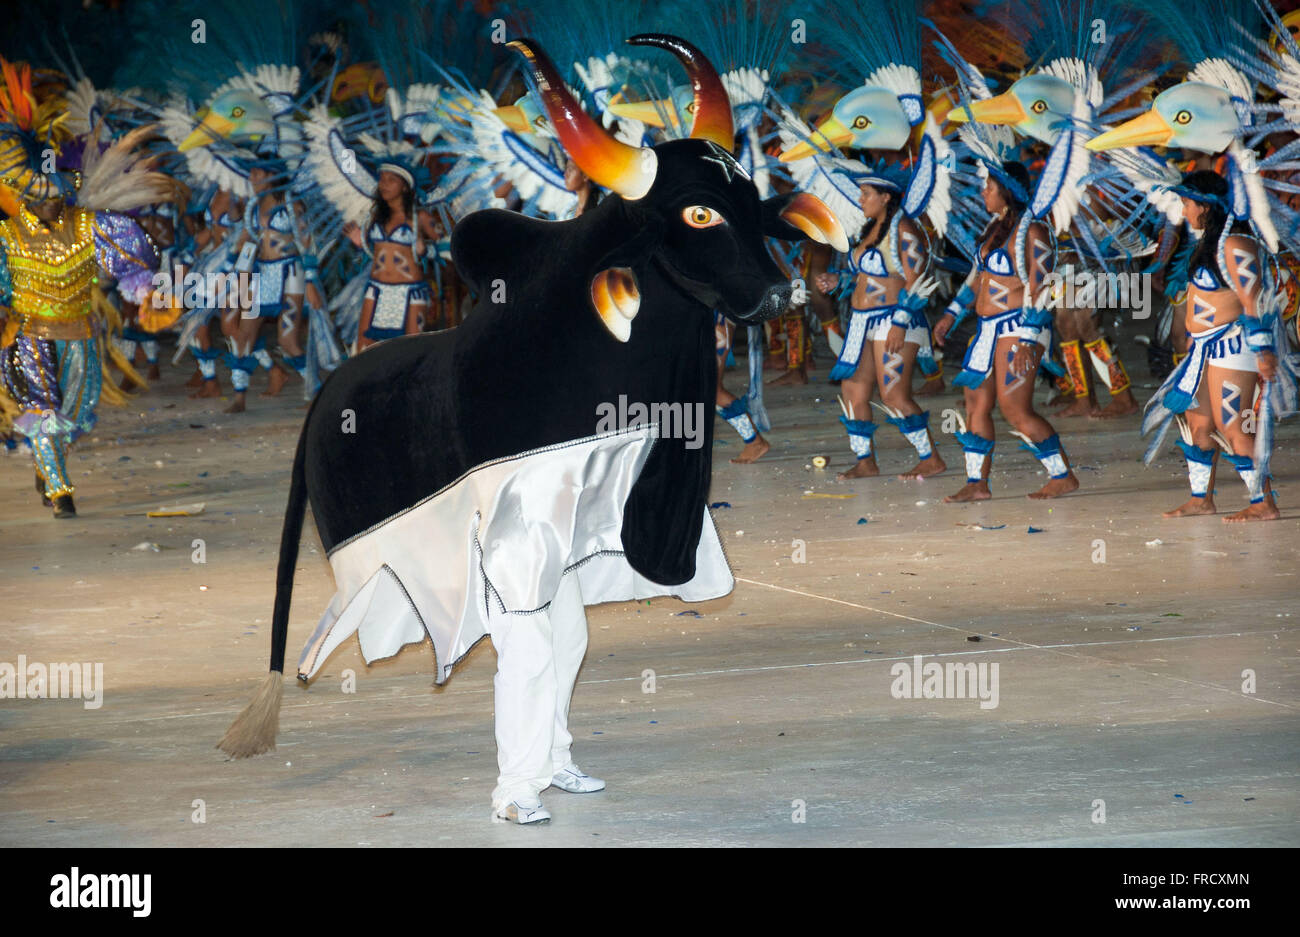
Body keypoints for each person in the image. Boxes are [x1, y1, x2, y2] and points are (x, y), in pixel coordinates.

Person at [935, 162, 1079, 501]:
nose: (983, 192)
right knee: (976, 403)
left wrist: (1029, 339)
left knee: (1015, 409)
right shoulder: (994, 228)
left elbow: (1042, 289)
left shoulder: (1034, 232)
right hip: (987, 330)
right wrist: (950, 315)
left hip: (1019, 327)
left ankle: (1063, 475)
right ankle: (976, 484)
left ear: (1008, 192)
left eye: (989, 186)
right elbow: (977, 280)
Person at [1152, 171, 1280, 522]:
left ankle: (1263, 502)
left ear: (1206, 206)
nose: (1183, 209)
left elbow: (1254, 300)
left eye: (1188, 202)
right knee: (1197, 422)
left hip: (1235, 347)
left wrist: (1264, 351)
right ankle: (1201, 498)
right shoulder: (1210, 241)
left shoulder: (1236, 244)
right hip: (1205, 351)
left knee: (1235, 426)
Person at [817, 173, 945, 480]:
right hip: (862, 322)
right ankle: (866, 461)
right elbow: (867, 278)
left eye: (866, 194)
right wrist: (839, 281)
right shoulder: (869, 229)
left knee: (893, 396)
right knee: (852, 388)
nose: (860, 200)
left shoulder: (904, 229)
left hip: (895, 319)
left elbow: (917, 283)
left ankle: (931, 458)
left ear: (886, 197)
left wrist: (900, 324)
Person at [221, 160, 323, 412]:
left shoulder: (292, 205)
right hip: (262, 275)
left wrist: (311, 281)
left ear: (272, 175)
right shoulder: (253, 208)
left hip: (291, 275)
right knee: (243, 336)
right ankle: (239, 396)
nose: (252, 177)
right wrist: (230, 273)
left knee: (288, 341)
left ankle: (317, 393)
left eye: (257, 172)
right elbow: (244, 242)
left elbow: (307, 243)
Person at [343, 166, 439, 350]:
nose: (384, 184)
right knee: (364, 347)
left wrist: (426, 250)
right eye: (382, 179)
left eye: (391, 180)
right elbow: (376, 251)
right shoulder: (374, 215)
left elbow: (448, 246)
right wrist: (362, 244)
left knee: (411, 349)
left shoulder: (420, 217)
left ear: (405, 187)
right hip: (376, 289)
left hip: (411, 292)